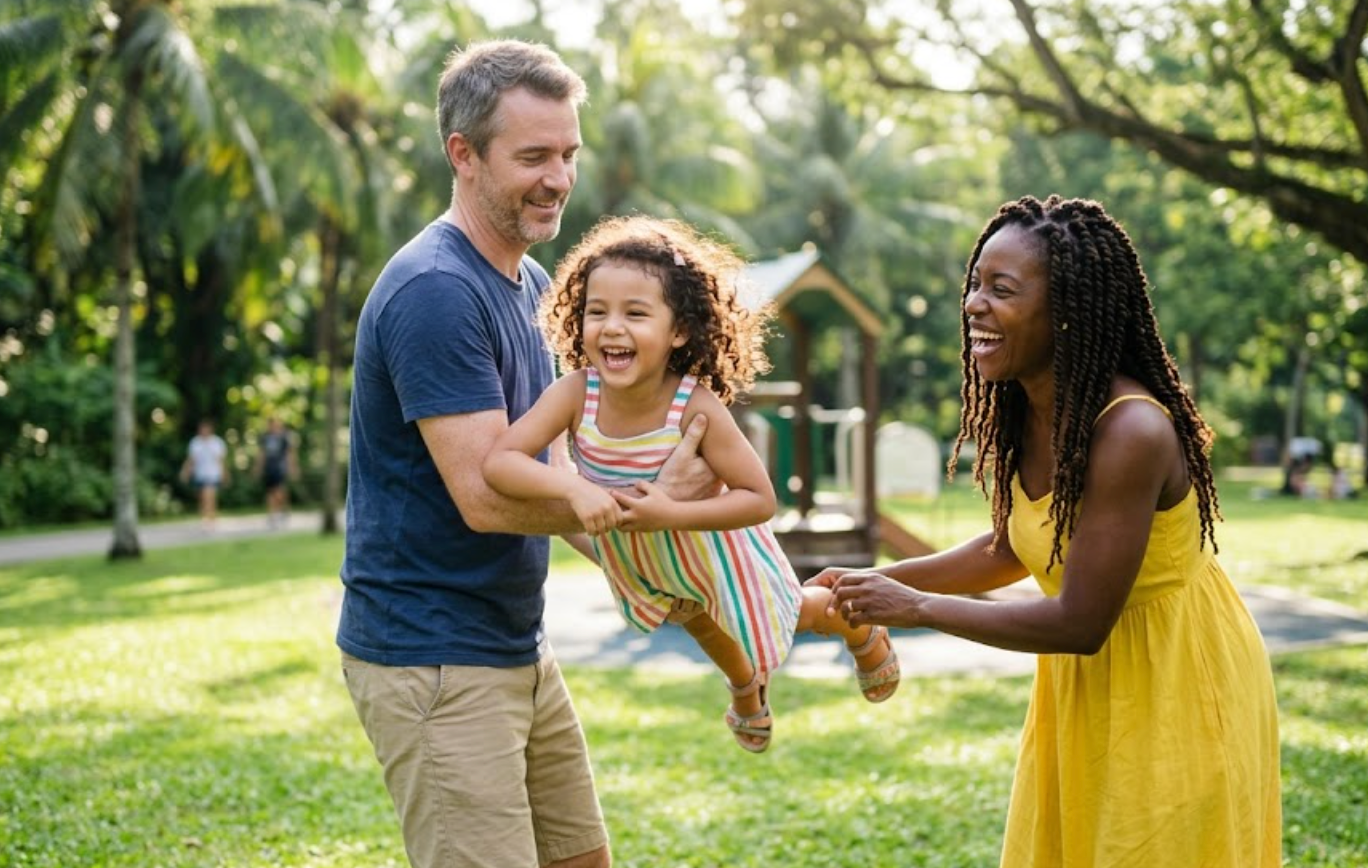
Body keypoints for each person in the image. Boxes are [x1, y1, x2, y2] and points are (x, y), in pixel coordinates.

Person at [336, 40, 714, 868]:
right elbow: (485, 495)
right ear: (462, 155)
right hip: (432, 654)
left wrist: (663, 552)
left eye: (569, 153)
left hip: (513, 641)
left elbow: (559, 476)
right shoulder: (436, 289)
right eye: (534, 155)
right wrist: (648, 506)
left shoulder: (533, 287)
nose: (558, 177)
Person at [814, 196, 1281, 866]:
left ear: (1066, 309)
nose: (975, 304)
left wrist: (914, 608)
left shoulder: (1130, 430)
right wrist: (875, 582)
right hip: (1081, 692)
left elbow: (1080, 623)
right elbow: (1010, 546)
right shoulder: (1026, 408)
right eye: (975, 284)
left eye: (1001, 290)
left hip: (1177, 678)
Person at [482, 215, 900, 754]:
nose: (612, 327)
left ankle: (859, 629)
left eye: (635, 313)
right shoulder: (574, 393)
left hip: (714, 547)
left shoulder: (692, 406)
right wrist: (574, 491)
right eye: (596, 311)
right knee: (696, 620)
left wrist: (670, 515)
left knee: (795, 613)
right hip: (646, 555)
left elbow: (759, 499)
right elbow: (501, 463)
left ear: (678, 329)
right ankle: (746, 687)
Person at [179, 418, 228, 528]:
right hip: (200, 474)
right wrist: (185, 472)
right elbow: (191, 460)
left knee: (209, 495)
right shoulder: (195, 442)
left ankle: (210, 520)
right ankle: (206, 516)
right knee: (201, 497)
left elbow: (221, 461)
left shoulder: (217, 442)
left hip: (213, 474)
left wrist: (224, 474)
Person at [254, 416, 297, 528]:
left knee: (279, 491)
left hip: (280, 468)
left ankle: (284, 510)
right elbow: (261, 454)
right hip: (269, 468)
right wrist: (258, 468)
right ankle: (272, 515)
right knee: (270, 492)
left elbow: (289, 454)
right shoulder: (265, 437)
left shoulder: (284, 438)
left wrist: (292, 467)